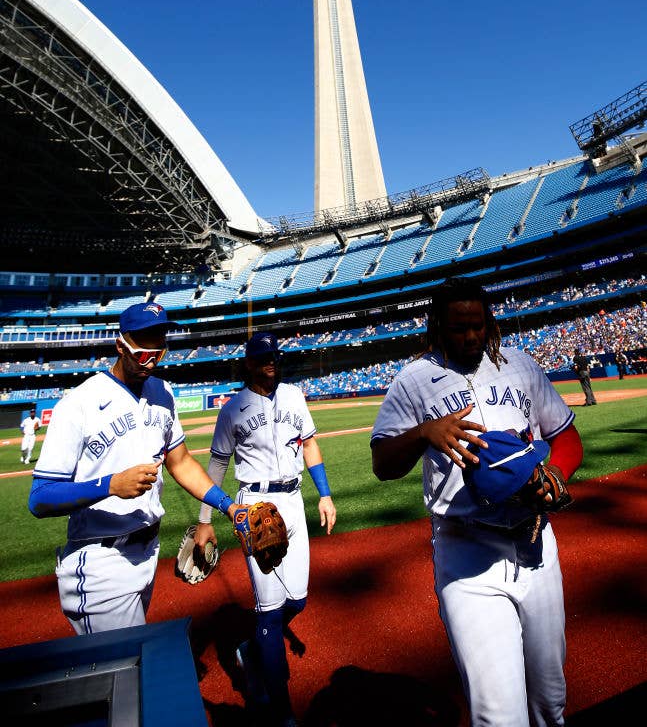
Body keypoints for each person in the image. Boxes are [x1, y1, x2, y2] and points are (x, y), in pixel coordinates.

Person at [371, 277, 583, 727]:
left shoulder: (522, 366)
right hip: (466, 554)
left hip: (536, 544)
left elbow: (566, 437)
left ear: (490, 323)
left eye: (478, 325)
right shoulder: (413, 381)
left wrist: (557, 474)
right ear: (437, 328)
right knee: (499, 714)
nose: (470, 336)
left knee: (550, 700)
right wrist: (422, 433)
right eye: (458, 327)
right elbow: (383, 463)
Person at [28, 301, 238, 635]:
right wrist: (110, 485)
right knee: (126, 668)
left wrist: (230, 507)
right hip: (100, 561)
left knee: (125, 670)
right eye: (143, 343)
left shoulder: (163, 393)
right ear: (120, 344)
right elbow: (39, 498)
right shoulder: (79, 404)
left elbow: (180, 462)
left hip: (147, 552)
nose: (152, 354)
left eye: (159, 342)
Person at [195, 331, 336, 727]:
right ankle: (282, 711)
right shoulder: (232, 409)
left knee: (299, 601)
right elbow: (218, 465)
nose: (270, 362)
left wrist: (324, 495)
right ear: (248, 363)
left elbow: (309, 445)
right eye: (262, 357)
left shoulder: (294, 396)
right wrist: (206, 521)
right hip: (254, 508)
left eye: (274, 356)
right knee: (270, 612)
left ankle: (253, 648)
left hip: (293, 501)